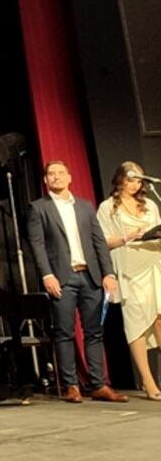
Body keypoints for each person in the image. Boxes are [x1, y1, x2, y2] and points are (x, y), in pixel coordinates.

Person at [27, 159, 128, 403]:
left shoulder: (85, 206)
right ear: (45, 180)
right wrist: (47, 274)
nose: (57, 177)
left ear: (69, 177)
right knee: (64, 332)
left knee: (94, 332)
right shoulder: (38, 208)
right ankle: (71, 385)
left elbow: (98, 241)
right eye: (52, 173)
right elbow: (37, 245)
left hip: (90, 275)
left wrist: (108, 273)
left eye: (61, 172)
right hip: (62, 277)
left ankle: (98, 384)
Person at [96, 160, 161, 400]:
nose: (135, 185)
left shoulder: (150, 205)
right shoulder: (108, 207)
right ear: (120, 180)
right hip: (130, 270)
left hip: (154, 263)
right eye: (130, 179)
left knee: (159, 319)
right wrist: (127, 237)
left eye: (139, 180)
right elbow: (102, 242)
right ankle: (147, 379)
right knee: (137, 324)